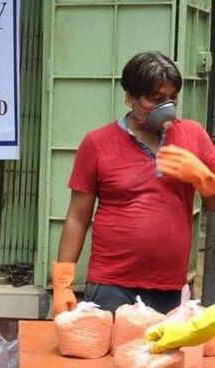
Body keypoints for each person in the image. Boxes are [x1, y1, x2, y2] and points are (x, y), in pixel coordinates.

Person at [53, 51, 215, 317]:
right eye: (156, 99)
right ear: (130, 98)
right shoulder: (97, 143)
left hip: (170, 288)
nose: (168, 108)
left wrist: (203, 178)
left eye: (172, 98)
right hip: (111, 286)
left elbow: (212, 204)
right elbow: (77, 217)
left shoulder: (193, 134)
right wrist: (62, 285)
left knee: (163, 358)